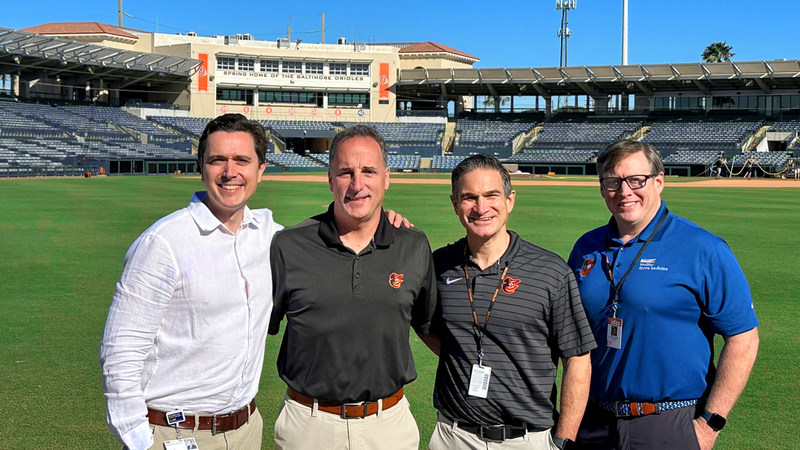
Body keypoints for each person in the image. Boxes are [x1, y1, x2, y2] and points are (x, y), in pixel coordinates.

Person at [99, 114, 278, 449]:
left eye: (242, 160)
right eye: (217, 160)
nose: (230, 172)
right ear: (202, 167)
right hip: (173, 433)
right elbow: (120, 350)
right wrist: (140, 441)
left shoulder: (270, 236)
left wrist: (384, 220)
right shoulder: (163, 243)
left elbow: (332, 239)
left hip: (246, 430)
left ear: (260, 170)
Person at [568, 140, 759, 450]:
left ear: (659, 181)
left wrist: (710, 424)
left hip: (671, 422)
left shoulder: (703, 248)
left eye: (636, 180)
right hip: (594, 421)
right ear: (602, 189)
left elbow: (744, 338)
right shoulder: (585, 247)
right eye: (613, 182)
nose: (625, 191)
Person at [268, 125, 437, 450]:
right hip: (308, 425)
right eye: (346, 172)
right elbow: (253, 328)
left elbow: (430, 326)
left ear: (386, 178)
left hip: (388, 425)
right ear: (330, 179)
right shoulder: (289, 245)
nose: (357, 184)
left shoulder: (413, 246)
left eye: (369, 171)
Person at [420, 154, 596, 450]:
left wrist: (563, 440)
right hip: (454, 436)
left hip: (526, 439)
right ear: (454, 204)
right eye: (468, 198)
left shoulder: (550, 272)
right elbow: (426, 327)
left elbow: (577, 357)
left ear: (510, 200)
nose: (481, 207)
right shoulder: (438, 266)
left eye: (491, 195)